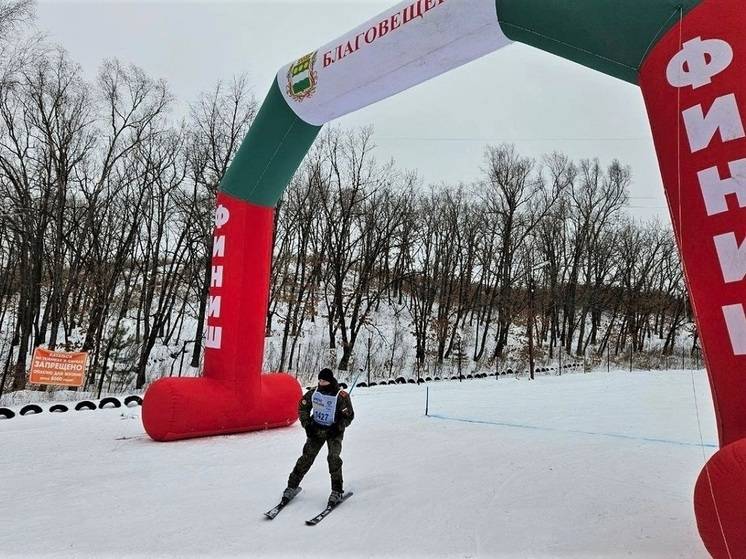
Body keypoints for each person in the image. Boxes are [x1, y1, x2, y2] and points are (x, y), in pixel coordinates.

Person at [283, 368, 354, 506]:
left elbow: (349, 416)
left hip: (334, 432)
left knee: (333, 458)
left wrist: (338, 426)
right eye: (320, 380)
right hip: (316, 430)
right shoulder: (314, 392)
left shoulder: (341, 396)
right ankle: (292, 486)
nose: (321, 382)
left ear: (330, 380)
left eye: (324, 380)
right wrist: (307, 424)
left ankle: (337, 490)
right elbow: (303, 407)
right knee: (306, 457)